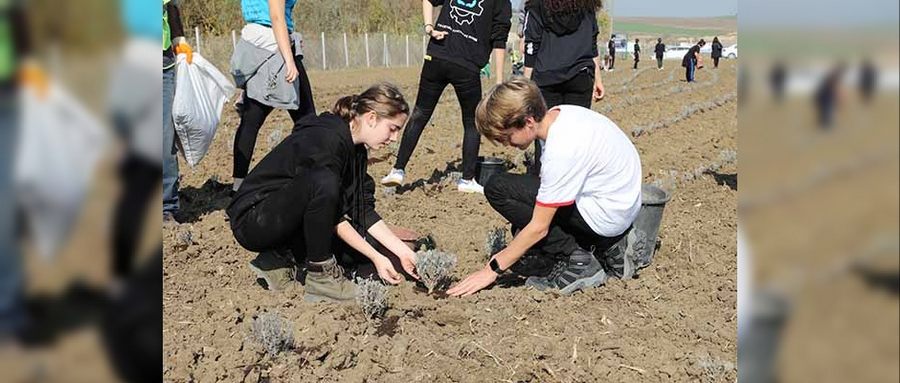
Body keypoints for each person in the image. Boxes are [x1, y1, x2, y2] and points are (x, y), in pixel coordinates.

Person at [448, 78, 642, 297]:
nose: (505, 144)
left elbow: (539, 227)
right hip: (621, 206)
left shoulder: (562, 149)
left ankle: (579, 263)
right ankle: (609, 245)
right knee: (522, 224)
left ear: (528, 121)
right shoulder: (562, 114)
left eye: (506, 136)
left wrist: (491, 269)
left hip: (605, 216)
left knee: (498, 188)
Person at [228, 84, 420, 302]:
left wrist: (403, 252)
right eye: (393, 128)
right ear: (372, 118)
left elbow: (362, 210)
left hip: (287, 217)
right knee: (324, 181)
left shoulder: (356, 151)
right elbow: (331, 211)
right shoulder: (325, 139)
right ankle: (321, 277)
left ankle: (279, 259)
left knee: (360, 251)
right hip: (254, 220)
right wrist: (376, 258)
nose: (394, 138)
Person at [380, 0, 512, 194]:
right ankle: (467, 180)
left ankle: (397, 170)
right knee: (472, 122)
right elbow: (499, 39)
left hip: (437, 56)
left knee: (421, 112)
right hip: (467, 66)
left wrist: (429, 28)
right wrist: (499, 81)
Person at [231, 0, 316, 195]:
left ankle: (237, 186)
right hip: (274, 46)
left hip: (256, 44)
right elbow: (276, 16)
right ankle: (311, 178)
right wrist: (289, 59)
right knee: (308, 120)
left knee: (251, 120)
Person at [521, 0, 605, 175]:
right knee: (576, 135)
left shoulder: (536, 7)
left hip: (546, 78)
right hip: (580, 77)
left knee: (545, 135)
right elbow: (592, 44)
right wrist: (598, 78)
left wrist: (525, 85)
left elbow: (531, 47)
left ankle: (545, 184)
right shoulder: (586, 6)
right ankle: (573, 186)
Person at [162, 0, 191, 223]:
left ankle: (166, 205)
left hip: (164, 66)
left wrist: (178, 39)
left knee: (165, 138)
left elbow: (170, 5)